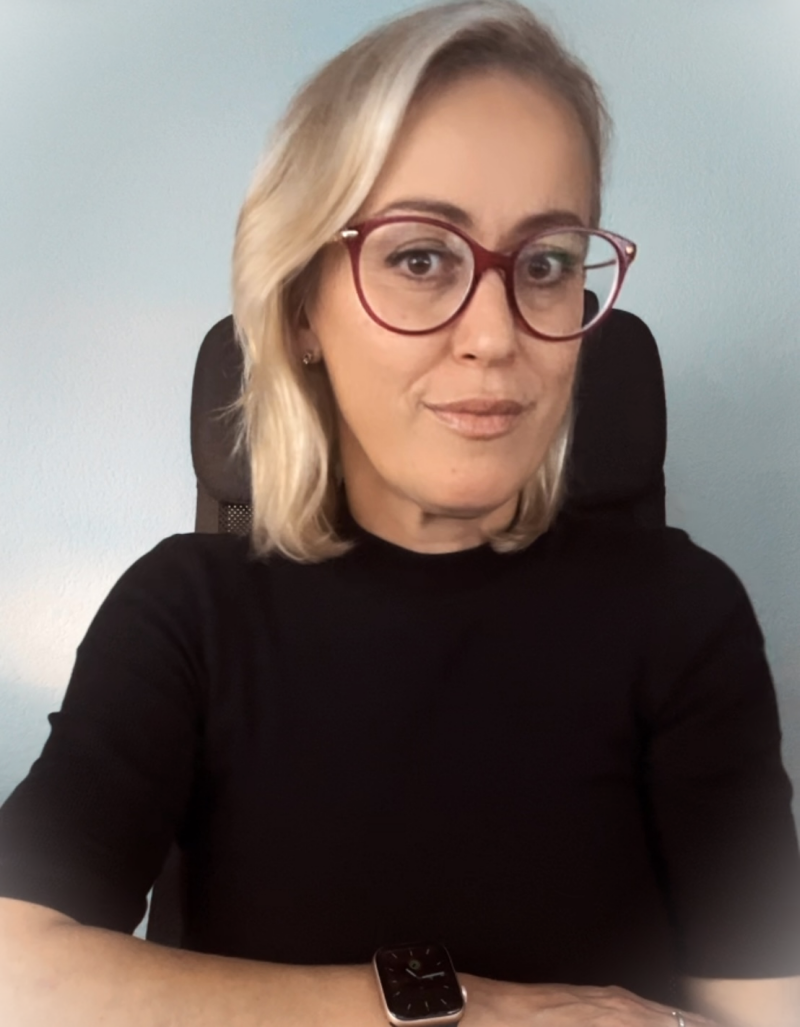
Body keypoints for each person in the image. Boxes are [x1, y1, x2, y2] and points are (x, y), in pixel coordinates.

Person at [1, 1, 799, 1025]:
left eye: (546, 263)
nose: (494, 337)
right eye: (420, 257)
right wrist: (459, 1008)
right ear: (301, 307)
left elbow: (768, 1008)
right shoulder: (185, 613)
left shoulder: (682, 614)